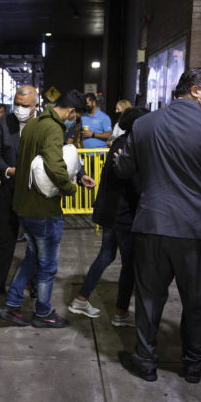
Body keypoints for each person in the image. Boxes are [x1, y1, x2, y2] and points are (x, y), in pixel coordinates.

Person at [113, 68, 201, 383]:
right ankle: (193, 365)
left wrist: (123, 158)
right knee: (197, 299)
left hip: (152, 224)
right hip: (195, 228)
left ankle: (145, 361)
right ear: (194, 91)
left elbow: (124, 169)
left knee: (148, 298)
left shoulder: (144, 123)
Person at [0, 89, 93, 328]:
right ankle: (42, 312)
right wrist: (71, 189)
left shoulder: (33, 124)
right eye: (76, 116)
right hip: (44, 210)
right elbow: (55, 165)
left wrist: (79, 176)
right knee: (48, 265)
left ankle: (11, 305)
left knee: (32, 257)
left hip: (24, 205)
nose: (75, 120)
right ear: (71, 111)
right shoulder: (52, 128)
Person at [67, 107, 149, 324]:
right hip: (123, 214)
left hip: (113, 212)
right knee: (128, 263)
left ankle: (81, 299)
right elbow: (136, 185)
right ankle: (121, 313)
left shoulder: (122, 143)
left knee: (107, 254)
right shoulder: (131, 147)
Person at [0, 85, 39, 300]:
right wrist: (8, 170)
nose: (19, 108)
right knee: (5, 241)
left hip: (33, 193)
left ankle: (35, 284)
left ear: (35, 106)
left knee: (35, 242)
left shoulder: (43, 125)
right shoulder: (3, 123)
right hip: (9, 191)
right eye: (17, 104)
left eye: (24, 105)